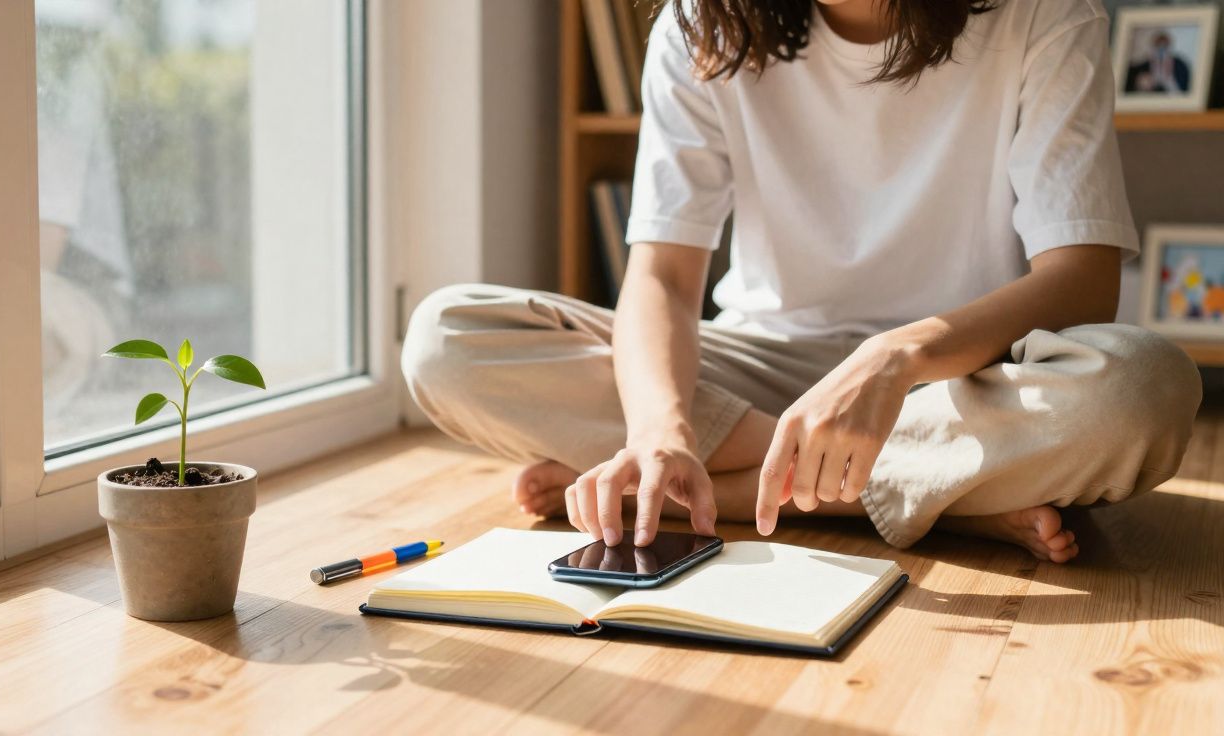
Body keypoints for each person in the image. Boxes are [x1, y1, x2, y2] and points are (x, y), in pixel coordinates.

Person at [402, 0, 1202, 564]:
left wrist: (896, 357)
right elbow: (664, 279)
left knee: (1143, 388)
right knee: (447, 339)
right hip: (759, 368)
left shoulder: (1045, 13)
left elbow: (1083, 279)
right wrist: (661, 435)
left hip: (962, 379)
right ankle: (946, 499)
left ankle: (726, 493)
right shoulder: (700, 23)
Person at [1125, 30, 1191, 94]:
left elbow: (1186, 92)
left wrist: (1170, 81)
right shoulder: (1143, 67)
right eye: (1158, 46)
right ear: (1152, 48)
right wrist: (1139, 84)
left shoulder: (1180, 65)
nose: (1161, 52)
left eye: (1164, 47)